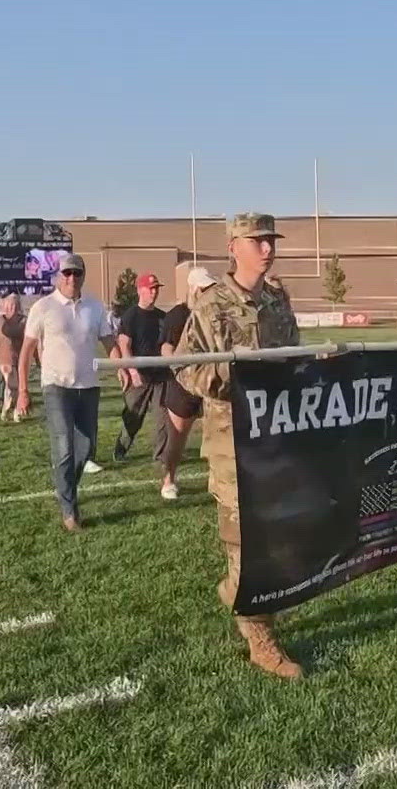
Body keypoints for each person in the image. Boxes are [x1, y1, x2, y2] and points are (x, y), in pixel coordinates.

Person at [174, 215, 308, 678]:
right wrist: (237, 379)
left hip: (277, 438)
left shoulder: (277, 300)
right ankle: (260, 637)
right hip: (233, 445)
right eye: (257, 241)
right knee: (247, 544)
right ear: (234, 247)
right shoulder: (212, 305)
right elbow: (185, 367)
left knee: (280, 537)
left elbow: (294, 356)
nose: (267, 248)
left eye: (270, 240)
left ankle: (237, 593)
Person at [16, 253, 116, 532]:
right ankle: (70, 511)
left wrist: (125, 368)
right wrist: (23, 390)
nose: (72, 278)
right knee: (64, 448)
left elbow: (109, 341)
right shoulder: (43, 307)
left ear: (83, 275)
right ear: (58, 276)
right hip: (56, 386)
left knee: (86, 448)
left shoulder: (95, 307)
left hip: (89, 386)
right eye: (67, 273)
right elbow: (25, 352)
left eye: (77, 273)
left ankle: (66, 488)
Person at [155, 267, 212, 500]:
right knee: (177, 438)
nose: (208, 293)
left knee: (219, 434)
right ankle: (168, 478)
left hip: (210, 383)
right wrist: (179, 369)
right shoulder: (177, 315)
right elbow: (166, 347)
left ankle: (221, 478)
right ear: (193, 289)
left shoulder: (214, 313)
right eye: (204, 288)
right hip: (183, 387)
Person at [114, 273, 172, 463]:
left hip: (160, 375)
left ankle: (160, 456)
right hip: (139, 375)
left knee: (163, 417)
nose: (154, 292)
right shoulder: (131, 316)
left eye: (156, 288)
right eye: (150, 288)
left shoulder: (162, 317)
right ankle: (121, 449)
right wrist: (132, 371)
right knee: (133, 416)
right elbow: (124, 345)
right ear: (140, 290)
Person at [0, 291, 26, 421]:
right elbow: (7, 332)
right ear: (4, 306)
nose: (12, 308)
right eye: (9, 305)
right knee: (11, 384)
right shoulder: (0, 319)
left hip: (19, 356)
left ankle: (8, 409)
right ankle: (14, 410)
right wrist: (20, 327)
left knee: (17, 386)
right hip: (4, 357)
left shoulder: (24, 319)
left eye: (15, 305)